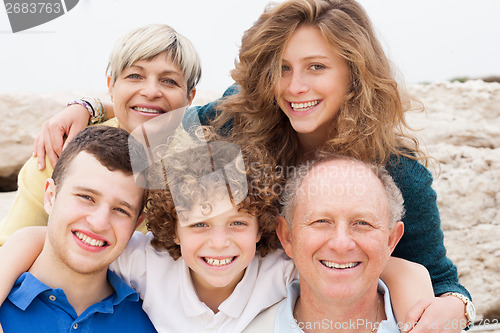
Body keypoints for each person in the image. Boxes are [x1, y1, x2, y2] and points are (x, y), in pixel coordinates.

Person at [25, 0, 474, 328]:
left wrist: (458, 309)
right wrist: (90, 108)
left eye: (316, 67)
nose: (295, 86)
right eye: (282, 67)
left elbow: (440, 280)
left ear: (354, 73)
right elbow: (150, 125)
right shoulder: (237, 120)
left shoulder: (396, 170)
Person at [0, 127, 433, 332]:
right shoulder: (146, 262)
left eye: (238, 224)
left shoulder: (276, 268)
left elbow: (383, 267)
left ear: (265, 229)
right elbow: (55, 240)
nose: (219, 242)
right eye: (199, 223)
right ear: (171, 230)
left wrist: (426, 305)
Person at [0, 23, 201, 245]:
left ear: (189, 97)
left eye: (169, 81)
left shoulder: (203, 170)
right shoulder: (62, 152)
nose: (151, 91)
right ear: (111, 85)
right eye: (135, 76)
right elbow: (9, 246)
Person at [0, 126, 156, 332]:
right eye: (86, 197)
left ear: (136, 224)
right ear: (50, 197)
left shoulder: (154, 321)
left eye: (120, 210)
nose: (99, 222)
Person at [243, 154, 407, 333]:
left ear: (391, 240)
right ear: (287, 236)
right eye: (321, 221)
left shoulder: (430, 325)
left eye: (362, 223)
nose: (341, 244)